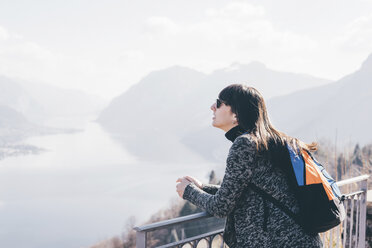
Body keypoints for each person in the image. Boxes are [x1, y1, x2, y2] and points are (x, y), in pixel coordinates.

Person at [176, 84, 322, 247]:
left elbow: (221, 207)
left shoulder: (244, 145)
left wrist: (188, 191)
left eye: (219, 103)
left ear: (236, 114)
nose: (212, 107)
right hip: (300, 240)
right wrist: (203, 187)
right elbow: (246, 192)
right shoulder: (269, 142)